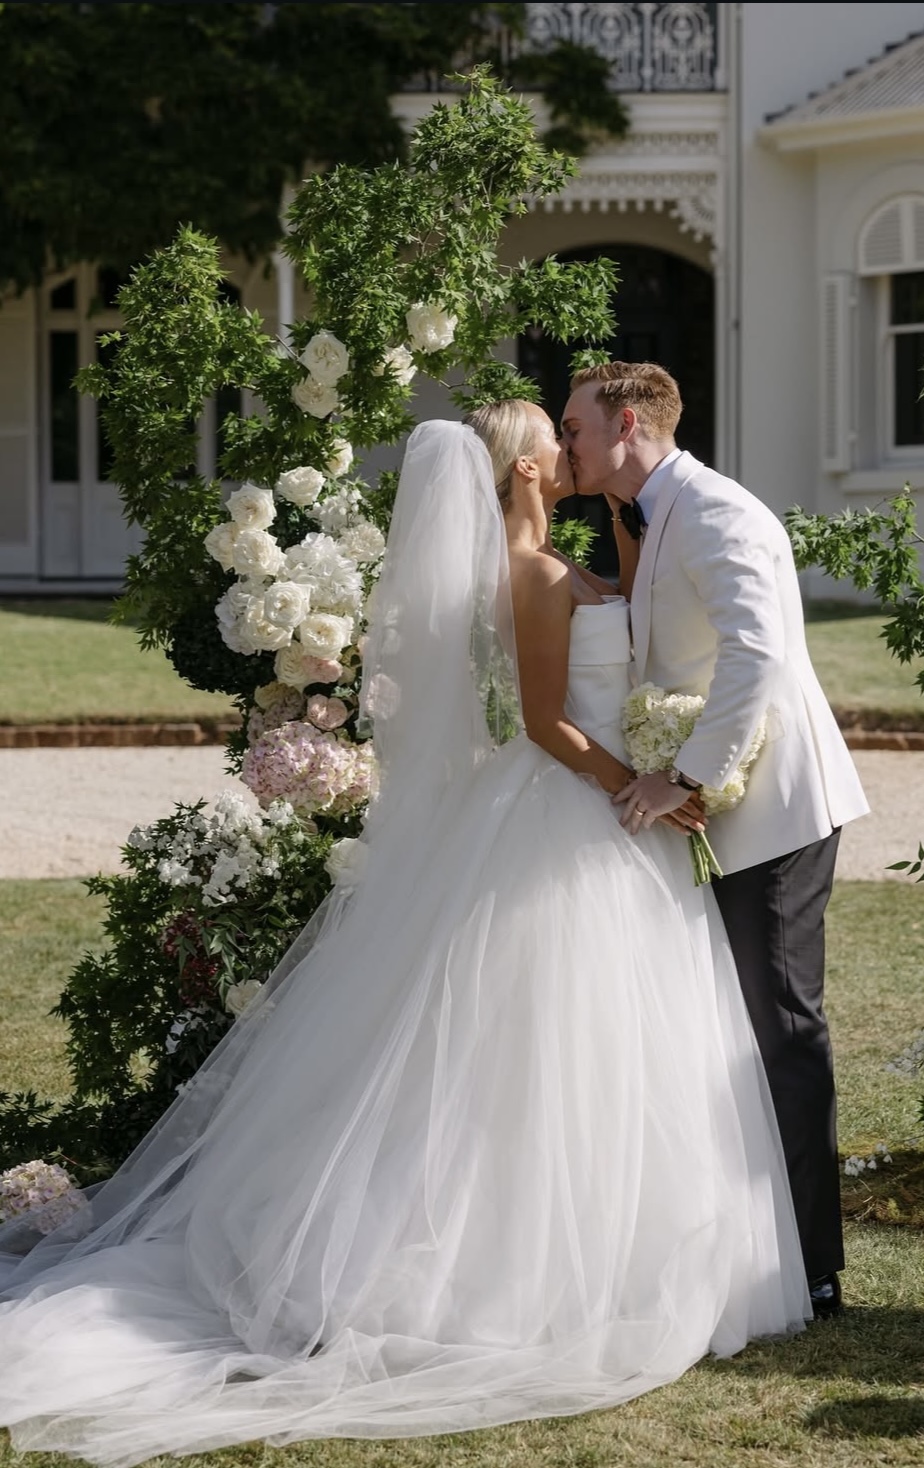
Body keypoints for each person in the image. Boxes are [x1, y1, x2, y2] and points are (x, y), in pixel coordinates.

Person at [0, 412, 808, 1468]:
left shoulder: (566, 552)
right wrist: (639, 784)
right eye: (557, 441)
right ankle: (505, 1272)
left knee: (611, 1044)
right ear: (528, 467)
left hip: (606, 817)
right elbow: (543, 723)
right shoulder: (530, 571)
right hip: (573, 808)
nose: (572, 451)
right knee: (539, 1042)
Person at [562, 364, 870, 1318]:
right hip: (720, 806)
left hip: (770, 805)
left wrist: (683, 774)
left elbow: (757, 654)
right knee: (727, 1026)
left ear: (624, 424)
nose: (564, 442)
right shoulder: (650, 514)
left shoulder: (716, 509)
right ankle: (755, 1244)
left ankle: (813, 1267)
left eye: (573, 427)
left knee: (779, 1029)